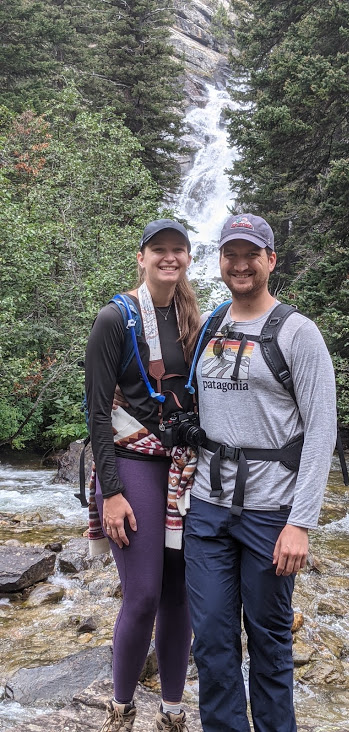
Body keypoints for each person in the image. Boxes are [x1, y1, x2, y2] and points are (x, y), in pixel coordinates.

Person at [184, 213, 337, 732]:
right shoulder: (210, 326)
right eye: (231, 254)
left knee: (269, 643)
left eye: (252, 254)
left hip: (271, 513)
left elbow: (321, 431)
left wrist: (301, 523)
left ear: (271, 259)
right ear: (220, 261)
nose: (241, 264)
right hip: (207, 509)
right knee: (211, 639)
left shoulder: (299, 333)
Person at [85, 219, 200, 732]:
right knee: (144, 594)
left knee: (179, 594)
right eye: (159, 249)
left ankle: (172, 711)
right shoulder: (116, 318)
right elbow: (96, 413)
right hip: (131, 463)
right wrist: (110, 492)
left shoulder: (192, 318)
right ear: (141, 257)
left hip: (181, 468)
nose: (168, 257)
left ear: (188, 258)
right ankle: (121, 708)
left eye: (178, 249)